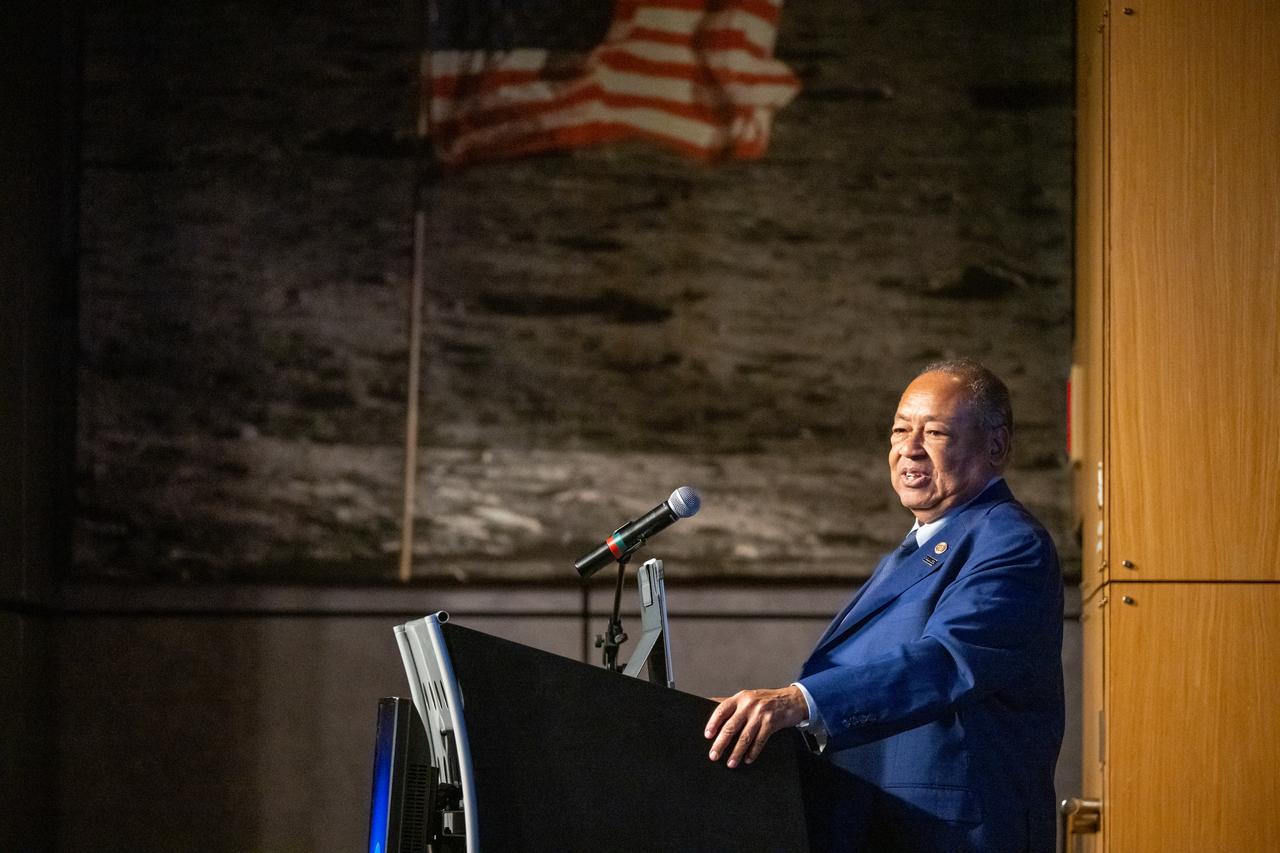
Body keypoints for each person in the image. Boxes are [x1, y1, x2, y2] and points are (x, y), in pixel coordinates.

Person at [703, 358, 1064, 853]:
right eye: (899, 431)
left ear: (995, 445)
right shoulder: (921, 546)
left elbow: (945, 662)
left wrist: (800, 701)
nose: (909, 449)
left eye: (935, 433)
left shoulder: (1008, 542)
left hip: (952, 835)